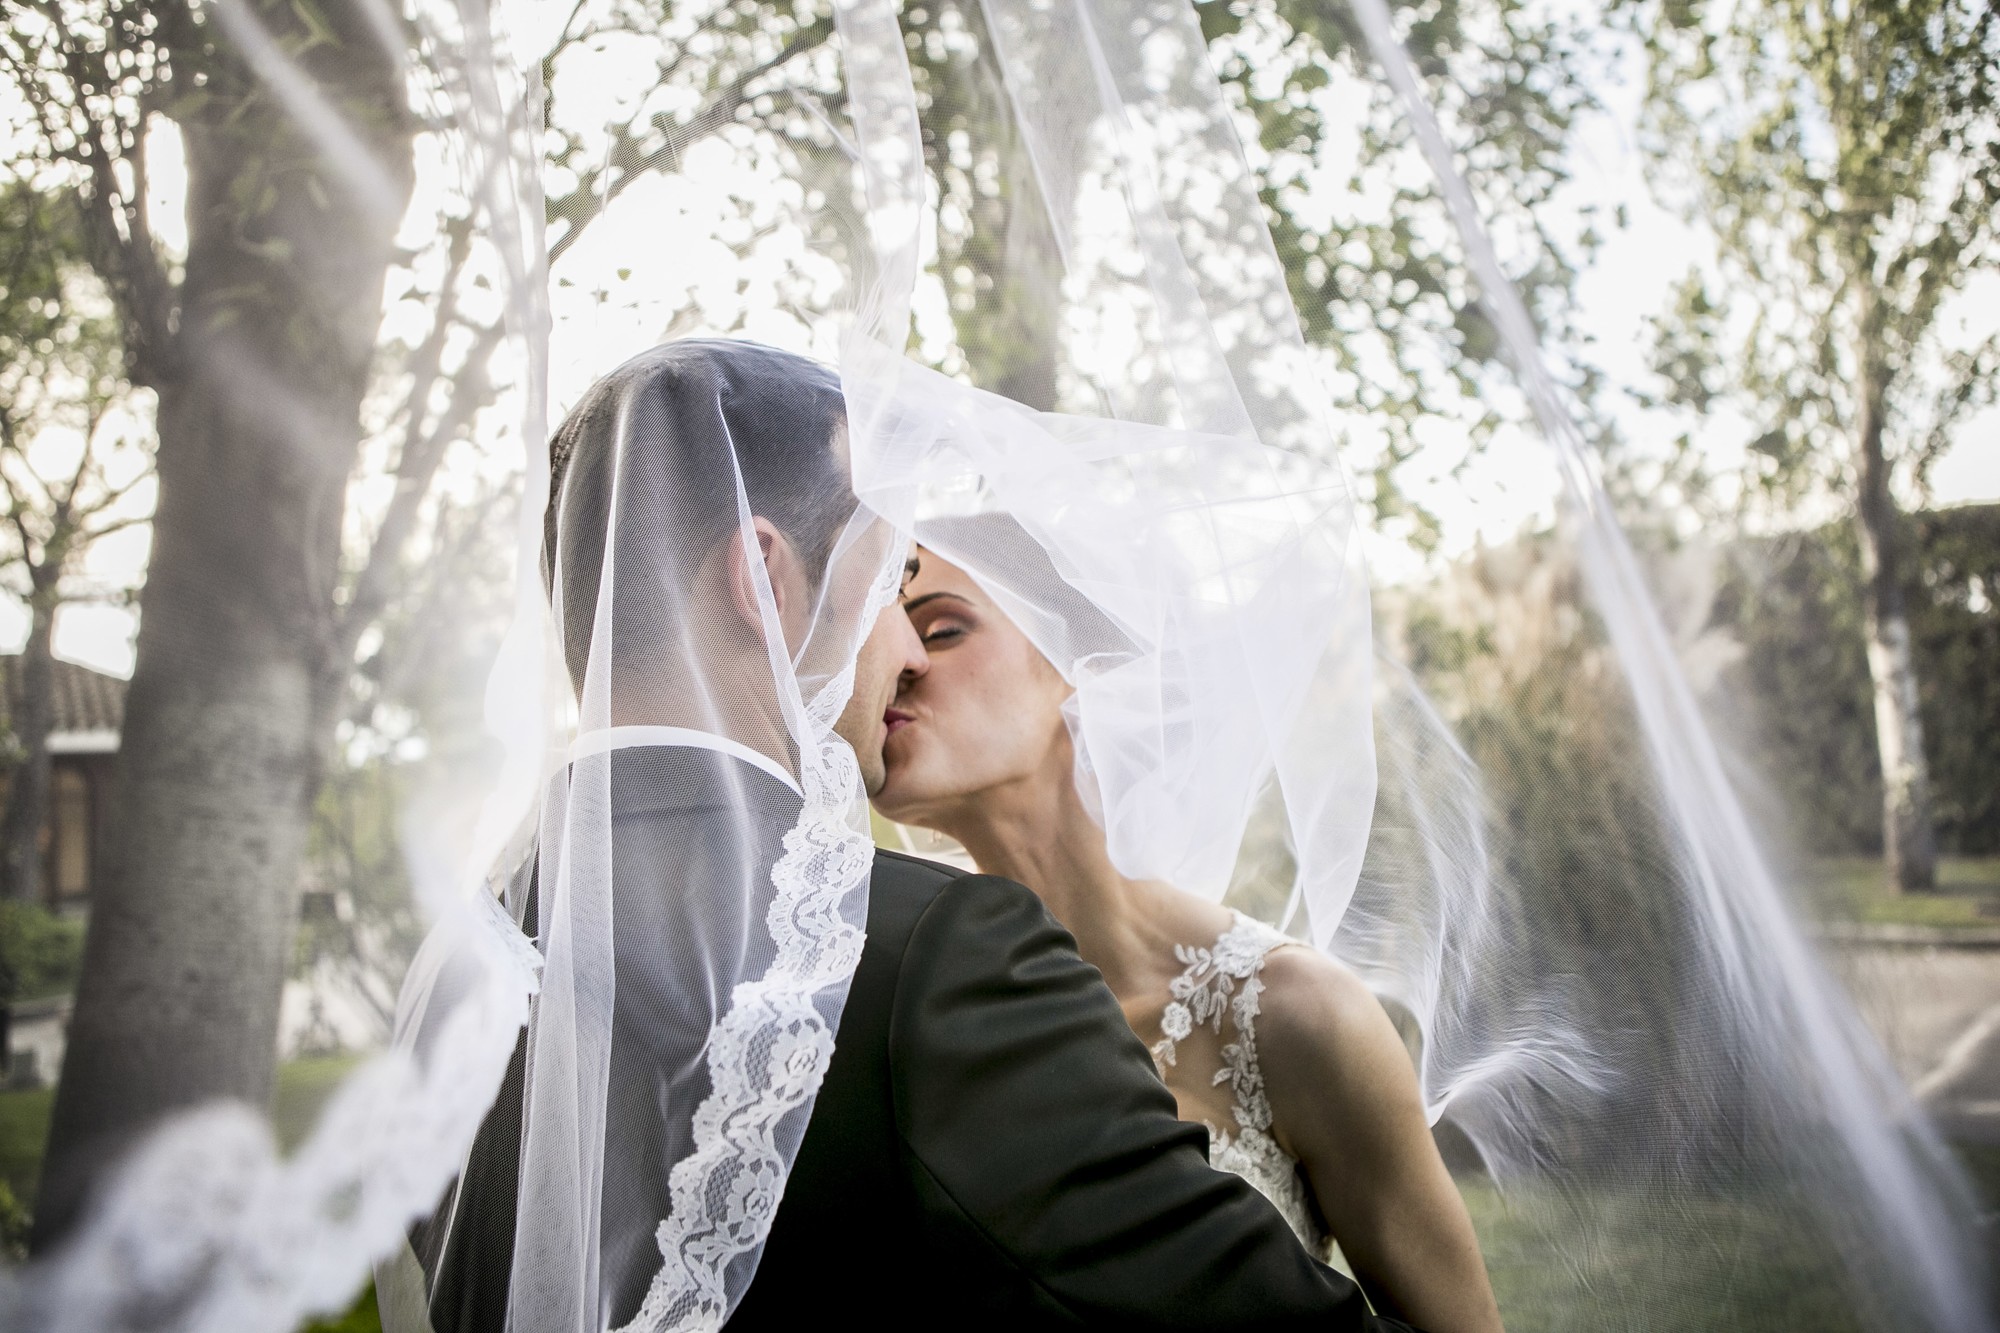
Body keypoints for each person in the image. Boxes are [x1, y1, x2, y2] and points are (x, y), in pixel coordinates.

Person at [408, 340, 1424, 1332]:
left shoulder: (459, 968)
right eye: (889, 582)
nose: (899, 655)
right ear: (759, 575)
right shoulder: (935, 959)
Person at [873, 538, 1505, 1333]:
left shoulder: (1299, 1019)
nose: (900, 661)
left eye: (941, 631)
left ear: (1082, 664)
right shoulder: (905, 1008)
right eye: (885, 628)